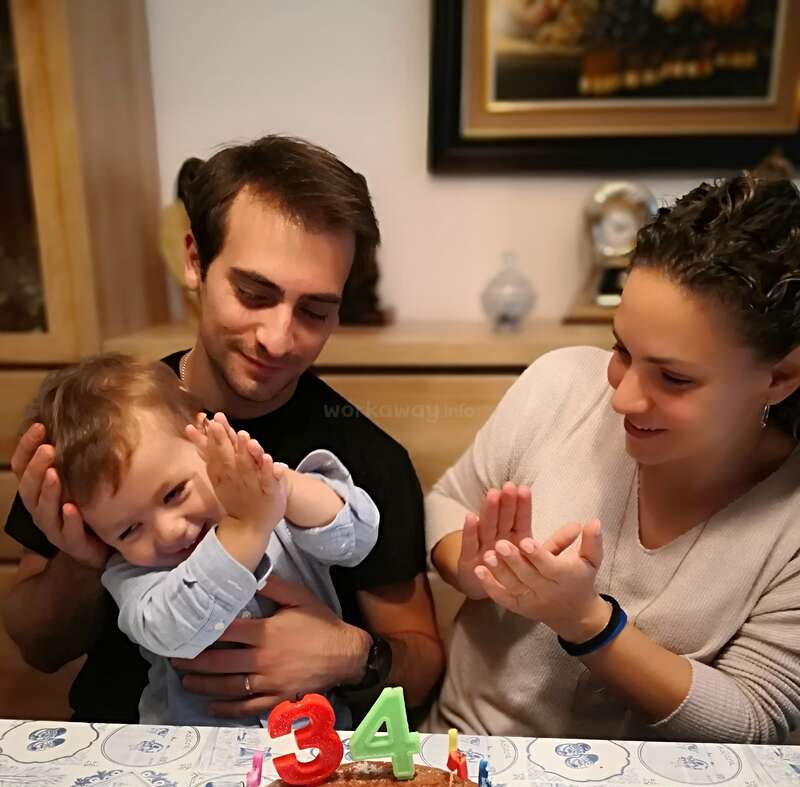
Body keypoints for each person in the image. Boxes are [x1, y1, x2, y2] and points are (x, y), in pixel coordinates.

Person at [3, 135, 444, 725]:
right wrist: (87, 557)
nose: (278, 339)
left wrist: (348, 655)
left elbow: (422, 665)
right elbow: (38, 648)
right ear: (195, 260)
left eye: (314, 311)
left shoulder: (362, 456)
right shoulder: (99, 428)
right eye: (253, 294)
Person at [426, 174, 800, 743]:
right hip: (461, 755)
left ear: (780, 377)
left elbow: (758, 725)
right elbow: (446, 501)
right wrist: (472, 568)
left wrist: (588, 624)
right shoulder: (559, 386)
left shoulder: (788, 522)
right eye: (621, 349)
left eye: (673, 378)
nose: (621, 397)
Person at [24, 353, 380, 726]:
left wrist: (281, 486)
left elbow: (356, 539)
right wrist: (245, 531)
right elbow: (173, 633)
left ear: (207, 440)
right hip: (190, 757)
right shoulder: (132, 575)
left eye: (173, 493)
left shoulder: (269, 501)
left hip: (313, 738)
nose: (169, 531)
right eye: (129, 530)